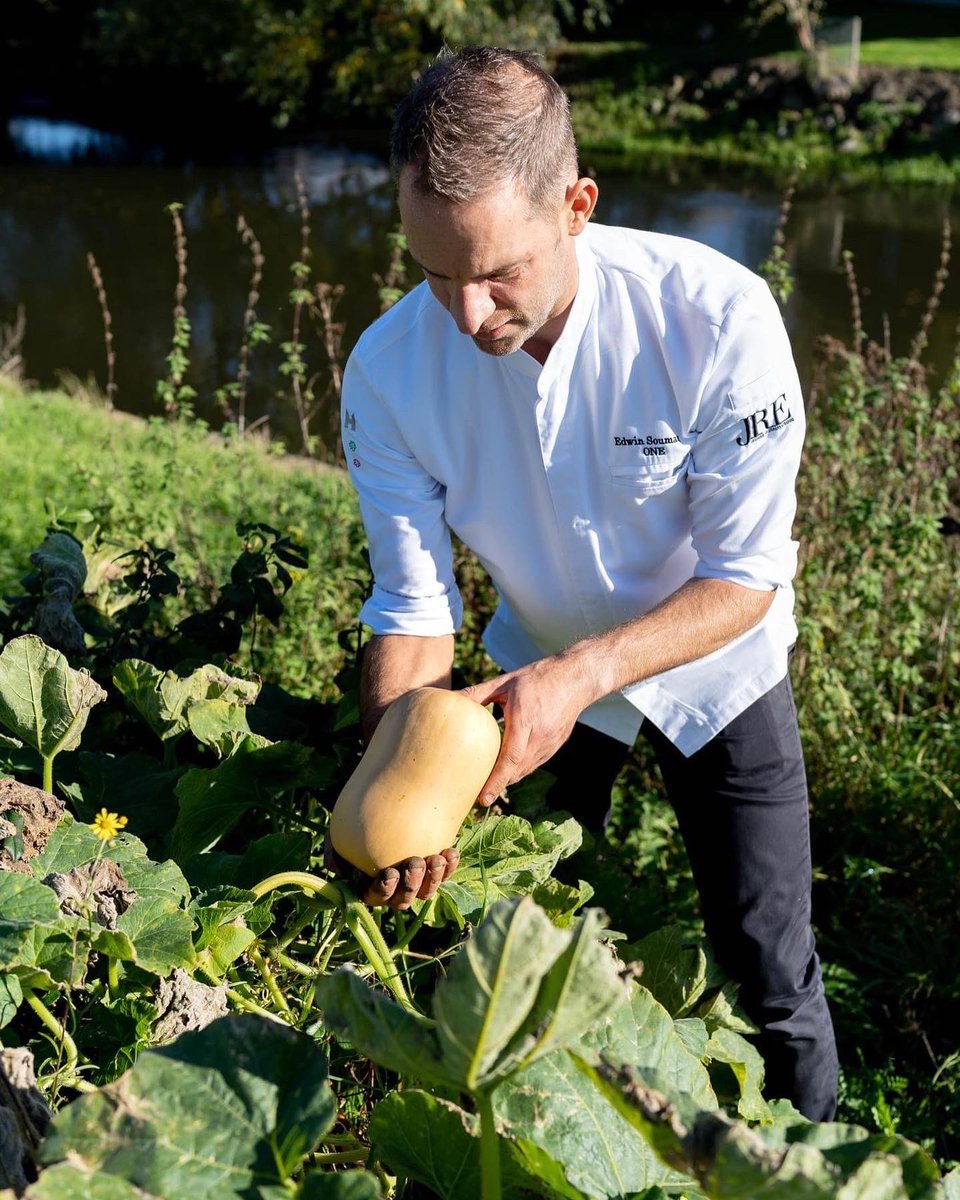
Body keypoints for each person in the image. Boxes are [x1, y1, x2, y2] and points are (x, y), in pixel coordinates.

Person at [334, 45, 839, 1121]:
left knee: (769, 966)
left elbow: (745, 578)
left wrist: (583, 674)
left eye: (496, 272)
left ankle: (812, 1165)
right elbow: (416, 608)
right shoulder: (388, 369)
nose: (465, 315)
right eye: (433, 272)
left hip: (717, 665)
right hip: (535, 660)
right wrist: (395, 769)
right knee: (526, 953)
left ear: (577, 204)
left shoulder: (717, 319)